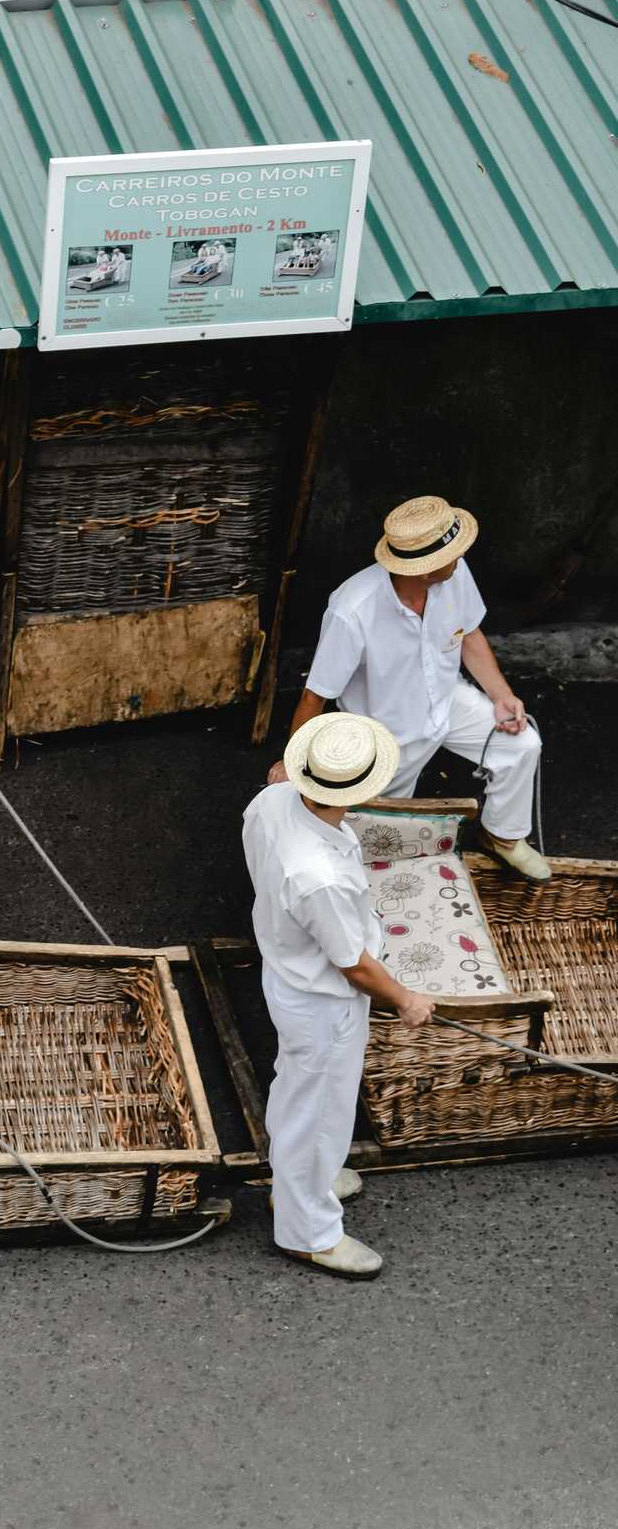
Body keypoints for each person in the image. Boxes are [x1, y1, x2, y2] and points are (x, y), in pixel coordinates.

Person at [269, 494, 548, 880]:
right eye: (452, 553)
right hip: (388, 733)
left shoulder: (455, 572)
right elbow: (314, 695)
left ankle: (502, 836)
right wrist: (294, 763)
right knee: (378, 838)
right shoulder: (352, 610)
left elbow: (469, 635)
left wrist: (501, 696)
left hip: (447, 701)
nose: (461, 556)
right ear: (425, 569)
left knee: (522, 744)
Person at [244, 713, 434, 1280]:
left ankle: (302, 1179)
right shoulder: (320, 876)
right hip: (323, 1000)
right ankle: (309, 1232)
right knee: (320, 1109)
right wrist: (406, 1000)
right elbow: (353, 965)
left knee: (300, 1093)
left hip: (288, 973)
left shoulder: (271, 801)